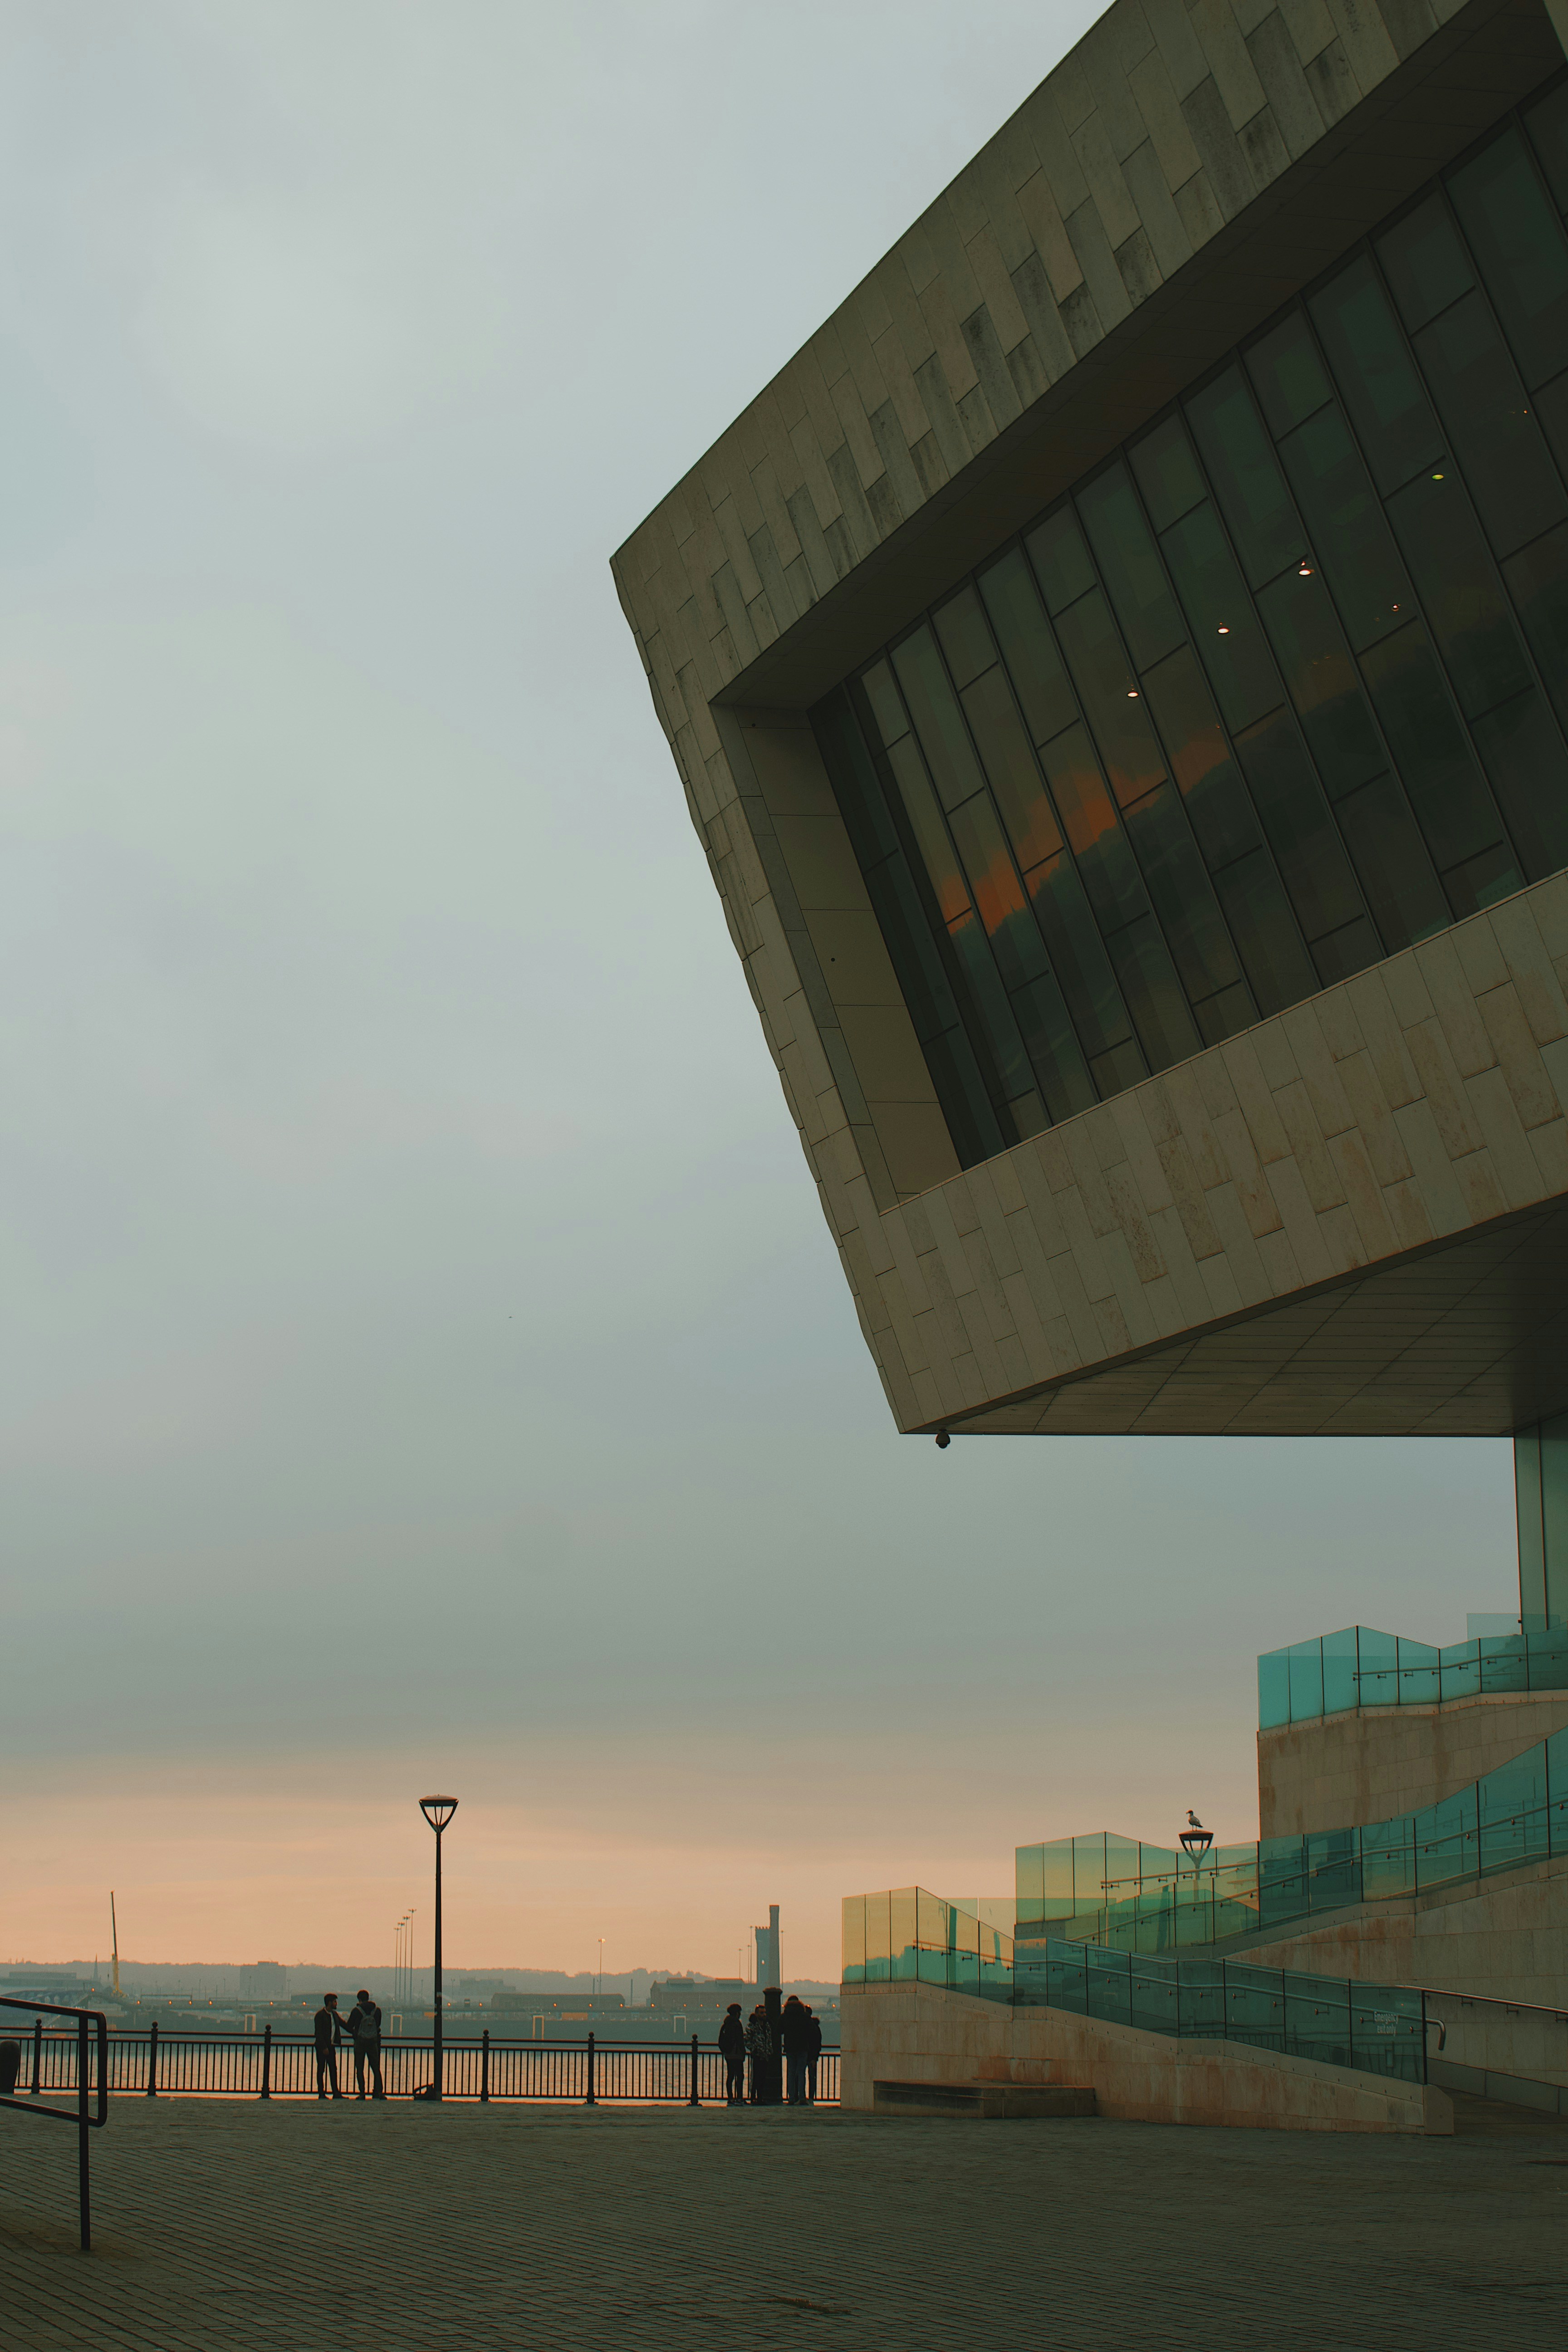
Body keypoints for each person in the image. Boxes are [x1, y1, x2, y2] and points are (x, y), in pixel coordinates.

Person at [345, 1989, 385, 2100]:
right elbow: (378, 2024)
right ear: (368, 1998)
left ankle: (362, 2093)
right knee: (376, 2068)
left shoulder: (357, 2011)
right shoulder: (377, 2011)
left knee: (360, 2068)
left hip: (360, 2042)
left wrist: (356, 2033)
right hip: (373, 2042)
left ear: (359, 1999)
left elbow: (349, 2026)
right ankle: (379, 2092)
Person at [781, 1994, 811, 2105]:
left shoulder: (785, 2016)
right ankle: (802, 2097)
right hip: (803, 2047)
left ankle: (791, 2098)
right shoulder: (805, 2016)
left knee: (791, 2072)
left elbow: (780, 2030)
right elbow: (810, 2031)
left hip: (790, 2048)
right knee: (801, 2072)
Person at [313, 1994, 344, 2099]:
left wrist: (355, 2033)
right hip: (323, 2048)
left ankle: (336, 2093)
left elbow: (344, 2024)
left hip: (331, 2047)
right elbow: (319, 2033)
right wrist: (324, 2047)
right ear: (330, 2003)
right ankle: (321, 2093)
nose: (337, 2004)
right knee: (321, 2069)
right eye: (335, 2002)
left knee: (333, 2069)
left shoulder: (334, 2015)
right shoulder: (320, 2015)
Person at [717, 2002, 746, 2106]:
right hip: (737, 2054)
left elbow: (721, 2040)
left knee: (730, 2076)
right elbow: (740, 2041)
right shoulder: (737, 2024)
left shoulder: (725, 2025)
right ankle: (739, 2098)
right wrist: (743, 2053)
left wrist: (725, 2051)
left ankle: (730, 2098)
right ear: (737, 2013)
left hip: (728, 2054)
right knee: (740, 2076)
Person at [743, 2002, 770, 2104]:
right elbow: (747, 2040)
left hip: (765, 2055)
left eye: (765, 2013)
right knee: (755, 2077)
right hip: (757, 2056)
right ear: (757, 2014)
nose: (764, 2015)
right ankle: (753, 2097)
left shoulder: (767, 2026)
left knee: (762, 2078)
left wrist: (769, 2051)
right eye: (762, 2013)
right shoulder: (752, 2026)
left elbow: (769, 2040)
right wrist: (754, 2050)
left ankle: (760, 2098)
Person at [803, 2004, 823, 2105]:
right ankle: (811, 2098)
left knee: (801, 2076)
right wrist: (815, 2057)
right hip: (812, 2056)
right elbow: (818, 2044)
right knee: (812, 2077)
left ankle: (802, 2097)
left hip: (805, 2055)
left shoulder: (802, 2027)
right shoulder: (815, 2027)